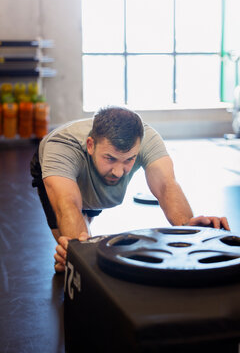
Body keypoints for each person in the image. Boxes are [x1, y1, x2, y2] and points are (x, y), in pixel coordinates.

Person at [30, 106, 230, 272]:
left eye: (129, 160)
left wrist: (190, 229)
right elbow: (68, 203)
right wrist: (78, 256)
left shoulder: (146, 138)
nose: (118, 171)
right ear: (90, 145)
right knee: (71, 257)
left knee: (83, 229)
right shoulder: (61, 147)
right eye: (110, 158)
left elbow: (166, 185)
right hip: (61, 172)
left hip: (97, 179)